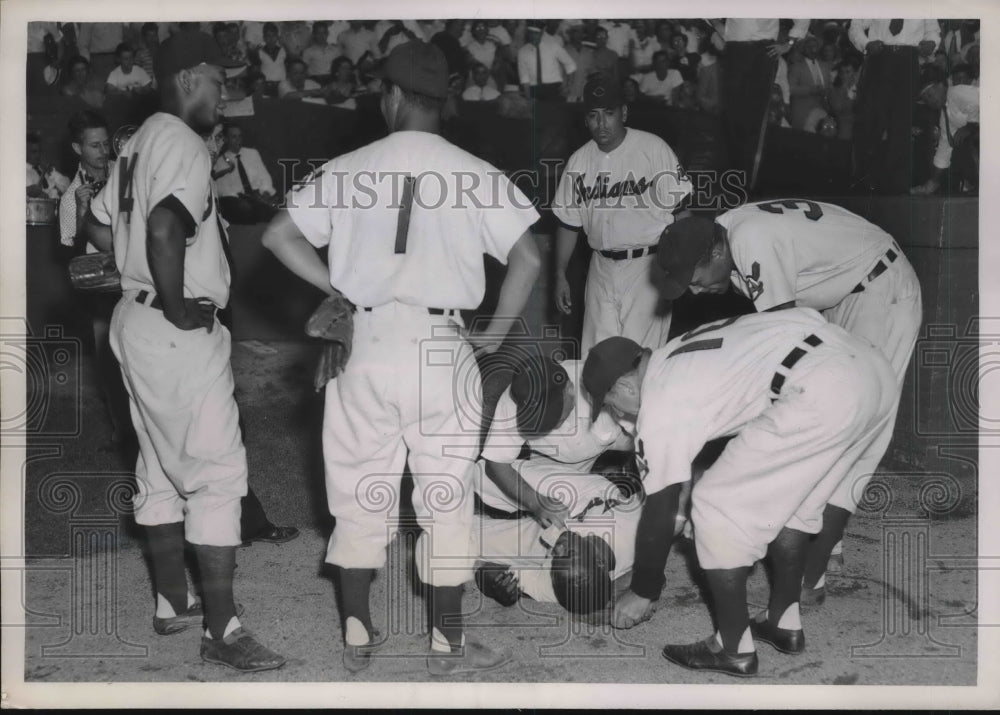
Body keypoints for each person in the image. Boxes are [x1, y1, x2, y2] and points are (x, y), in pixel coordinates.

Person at [260, 40, 542, 676]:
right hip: (442, 346)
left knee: (361, 490)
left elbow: (278, 234)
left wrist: (338, 289)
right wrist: (493, 336)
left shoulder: (351, 165)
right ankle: (446, 642)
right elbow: (528, 258)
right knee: (447, 496)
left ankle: (357, 631)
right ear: (444, 102)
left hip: (366, 339)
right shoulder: (474, 169)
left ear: (389, 96)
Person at [81, 32, 286, 672]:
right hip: (170, 328)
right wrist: (171, 301)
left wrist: (133, 273)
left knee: (159, 466)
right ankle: (222, 631)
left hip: (132, 324)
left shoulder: (139, 141)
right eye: (219, 81)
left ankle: (175, 602)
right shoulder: (182, 142)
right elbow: (166, 228)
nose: (225, 93)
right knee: (218, 473)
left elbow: (93, 220)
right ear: (189, 76)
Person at [581, 309, 897, 676]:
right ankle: (783, 620)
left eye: (609, 403)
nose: (616, 412)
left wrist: (643, 589)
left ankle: (732, 648)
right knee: (792, 501)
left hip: (819, 387)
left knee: (715, 505)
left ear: (625, 387)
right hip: (870, 368)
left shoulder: (658, 401)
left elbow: (660, 506)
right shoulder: (675, 353)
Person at [653, 200, 922, 601]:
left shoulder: (751, 240)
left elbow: (780, 347)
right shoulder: (726, 235)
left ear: (715, 253)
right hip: (842, 293)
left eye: (694, 279)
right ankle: (811, 531)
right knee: (820, 411)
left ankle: (811, 573)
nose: (694, 291)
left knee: (851, 427)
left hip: (879, 288)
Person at [552, 75, 693, 356]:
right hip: (600, 266)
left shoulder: (653, 148)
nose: (602, 123)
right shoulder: (579, 161)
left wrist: (681, 265)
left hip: (648, 265)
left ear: (624, 113)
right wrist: (559, 272)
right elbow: (568, 223)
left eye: (609, 113)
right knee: (596, 358)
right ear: (585, 120)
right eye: (593, 115)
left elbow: (682, 212)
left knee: (640, 359)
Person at [710, 18, 810, 191]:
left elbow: (804, 13)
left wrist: (789, 42)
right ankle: (727, 182)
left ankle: (748, 185)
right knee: (730, 117)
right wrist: (720, 27)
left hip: (763, 52)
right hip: (735, 51)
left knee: (755, 120)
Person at [848, 19, 940, 193]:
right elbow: (856, 25)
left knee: (902, 125)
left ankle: (897, 187)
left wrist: (932, 43)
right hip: (880, 57)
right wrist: (866, 43)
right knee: (871, 121)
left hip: (909, 60)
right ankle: (863, 180)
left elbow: (933, 31)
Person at [911, 63, 979, 195]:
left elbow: (981, 102)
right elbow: (944, 149)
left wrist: (970, 126)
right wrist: (931, 183)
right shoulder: (945, 115)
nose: (929, 101)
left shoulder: (956, 91)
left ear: (942, 86)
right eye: (925, 99)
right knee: (956, 146)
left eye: (930, 94)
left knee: (966, 143)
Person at [212, 123, 278, 225]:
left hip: (257, 195)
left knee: (274, 214)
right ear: (226, 139)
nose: (238, 140)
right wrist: (240, 197)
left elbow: (264, 176)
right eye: (234, 137)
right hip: (237, 199)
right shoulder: (220, 162)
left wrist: (265, 191)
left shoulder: (252, 153)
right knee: (246, 210)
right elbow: (222, 190)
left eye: (240, 136)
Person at [517, 21, 576, 100]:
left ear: (542, 33)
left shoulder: (553, 45)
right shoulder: (522, 52)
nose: (534, 37)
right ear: (528, 33)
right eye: (531, 34)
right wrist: (528, 98)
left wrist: (568, 86)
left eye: (537, 34)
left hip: (554, 89)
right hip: (534, 90)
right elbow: (525, 78)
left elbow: (570, 64)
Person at [788, 35, 829, 130]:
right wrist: (810, 90)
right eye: (809, 47)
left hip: (820, 113)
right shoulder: (797, 67)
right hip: (802, 113)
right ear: (803, 49)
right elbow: (790, 89)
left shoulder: (824, 66)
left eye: (814, 46)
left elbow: (829, 87)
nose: (812, 49)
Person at [26, 132, 70, 199]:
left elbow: (66, 182)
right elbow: (42, 197)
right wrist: (57, 190)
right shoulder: (23, 174)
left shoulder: (43, 169)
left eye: (39, 151)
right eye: (34, 152)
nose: (38, 155)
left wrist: (52, 172)